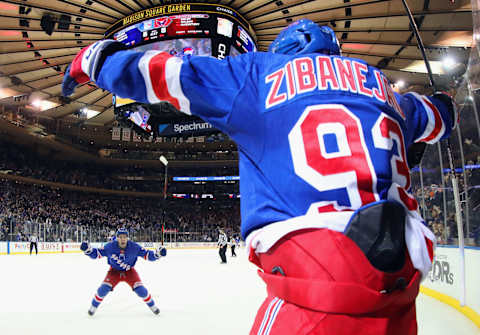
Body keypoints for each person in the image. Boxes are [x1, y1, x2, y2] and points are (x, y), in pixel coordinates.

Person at [63, 19, 456, 334]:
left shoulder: (257, 75)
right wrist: (445, 101)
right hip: (397, 294)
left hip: (314, 288)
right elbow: (438, 117)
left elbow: (162, 72)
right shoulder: (384, 88)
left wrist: (95, 59)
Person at [80, 228, 167, 316]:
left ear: (127, 238)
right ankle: (93, 308)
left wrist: (157, 254)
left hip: (129, 271)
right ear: (117, 238)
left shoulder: (134, 247)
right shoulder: (110, 246)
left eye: (124, 237)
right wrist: (88, 250)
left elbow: (148, 255)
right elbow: (97, 253)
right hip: (114, 271)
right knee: (103, 289)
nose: (122, 239)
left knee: (141, 290)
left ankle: (153, 307)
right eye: (120, 237)